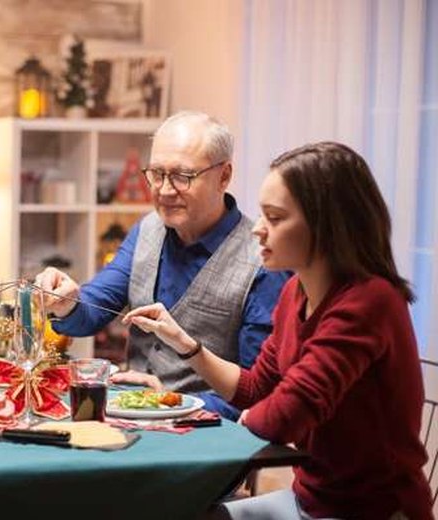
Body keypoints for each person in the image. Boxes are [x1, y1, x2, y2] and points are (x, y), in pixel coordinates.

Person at [124, 142, 431, 519]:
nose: (257, 228)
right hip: (309, 501)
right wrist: (185, 345)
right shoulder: (294, 292)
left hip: (371, 511)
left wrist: (251, 416)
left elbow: (289, 412)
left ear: (326, 226)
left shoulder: (368, 301)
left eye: (275, 217)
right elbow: (257, 388)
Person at [36, 111, 289, 420]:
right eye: (157, 174)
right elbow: (91, 313)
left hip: (209, 446)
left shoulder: (263, 262)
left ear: (224, 176)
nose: (166, 190)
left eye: (183, 176)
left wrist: (170, 402)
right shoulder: (147, 230)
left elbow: (258, 395)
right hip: (132, 427)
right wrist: (65, 304)